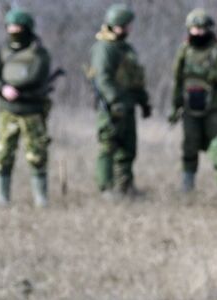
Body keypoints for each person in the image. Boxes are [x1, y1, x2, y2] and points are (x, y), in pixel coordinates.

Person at [168, 8, 217, 193]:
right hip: (190, 107)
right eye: (195, 28)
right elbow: (177, 79)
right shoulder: (184, 50)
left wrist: (205, 74)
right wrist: (175, 107)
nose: (199, 32)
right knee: (189, 147)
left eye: (202, 28)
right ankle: (187, 187)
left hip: (214, 107)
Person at [0, 8, 54, 208]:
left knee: (37, 155)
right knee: (3, 155)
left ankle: (41, 200)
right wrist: (3, 88)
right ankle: (2, 200)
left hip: (32, 111)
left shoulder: (39, 52)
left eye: (17, 27)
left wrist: (18, 89)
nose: (13, 30)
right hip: (8, 110)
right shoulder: (3, 51)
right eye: (10, 26)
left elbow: (37, 76)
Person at [87, 4, 150, 197]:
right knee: (109, 146)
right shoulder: (104, 48)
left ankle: (126, 186)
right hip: (112, 108)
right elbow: (103, 78)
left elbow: (135, 79)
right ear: (118, 25)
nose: (130, 28)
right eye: (128, 25)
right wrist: (115, 101)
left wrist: (143, 101)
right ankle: (106, 188)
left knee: (128, 148)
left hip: (128, 105)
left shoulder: (125, 48)